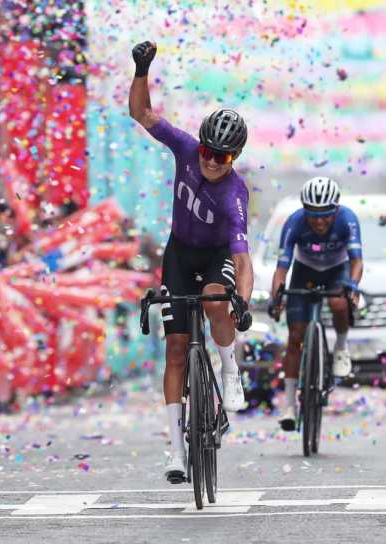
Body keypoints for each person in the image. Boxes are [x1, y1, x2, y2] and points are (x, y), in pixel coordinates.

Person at [128, 41, 254, 483]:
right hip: (179, 252)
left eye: (221, 157)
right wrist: (142, 70)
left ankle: (230, 367)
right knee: (176, 349)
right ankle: (176, 451)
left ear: (233, 159)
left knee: (217, 300)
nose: (211, 161)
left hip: (216, 257)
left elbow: (242, 260)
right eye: (207, 151)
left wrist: (244, 303)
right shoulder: (185, 149)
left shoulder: (234, 195)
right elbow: (141, 114)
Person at [269, 177, 363, 431]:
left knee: (338, 303)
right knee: (295, 337)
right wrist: (276, 296)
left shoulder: (347, 219)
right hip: (305, 270)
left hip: (337, 270)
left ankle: (341, 348)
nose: (319, 221)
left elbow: (356, 262)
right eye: (313, 215)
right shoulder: (294, 222)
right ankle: (290, 406)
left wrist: (352, 287)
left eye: (325, 215)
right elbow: (281, 268)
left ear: (336, 210)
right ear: (304, 211)